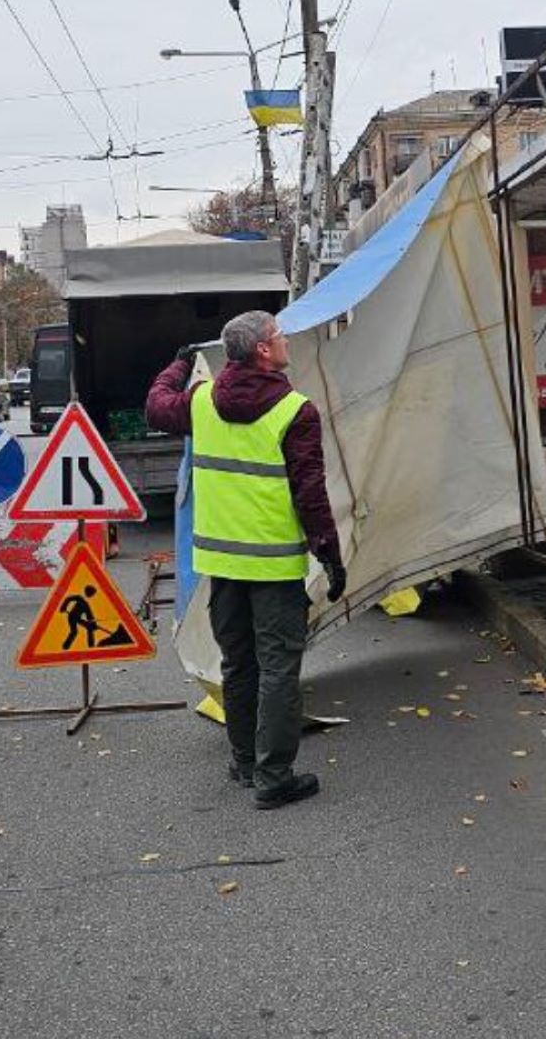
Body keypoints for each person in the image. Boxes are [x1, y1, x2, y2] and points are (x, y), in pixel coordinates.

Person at [146, 310, 345, 811]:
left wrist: (176, 366)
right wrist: (330, 555)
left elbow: (155, 407)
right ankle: (274, 776)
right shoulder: (295, 412)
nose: (284, 342)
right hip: (274, 567)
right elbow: (310, 493)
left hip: (222, 564)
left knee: (238, 663)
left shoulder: (201, 402)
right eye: (279, 336)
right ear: (262, 350)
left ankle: (243, 761)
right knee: (278, 668)